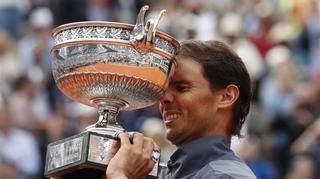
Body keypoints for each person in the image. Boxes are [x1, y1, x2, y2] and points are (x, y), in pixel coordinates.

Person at [106, 40, 256, 178]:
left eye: (181, 88)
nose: (164, 98)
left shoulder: (226, 176)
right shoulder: (165, 173)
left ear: (226, 97)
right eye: (163, 89)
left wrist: (119, 174)